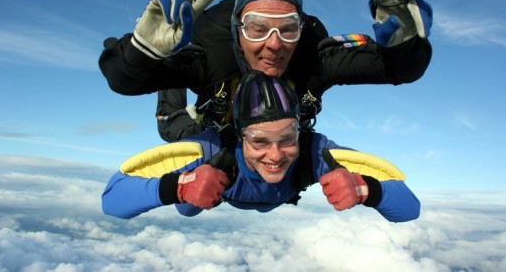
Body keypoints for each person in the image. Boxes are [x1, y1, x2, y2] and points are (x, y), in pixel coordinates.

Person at [99, 0, 433, 141]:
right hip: (210, 127)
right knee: (179, 138)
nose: (274, 44)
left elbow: (399, 70)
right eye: (257, 28)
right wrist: (142, 51)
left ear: (300, 30)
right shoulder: (209, 56)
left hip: (274, 135)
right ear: (237, 32)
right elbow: (125, 81)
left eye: (287, 28)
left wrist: (405, 45)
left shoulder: (313, 58)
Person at [102, 71, 420, 222]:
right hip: (214, 163)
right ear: (241, 136)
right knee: (187, 204)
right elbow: (112, 199)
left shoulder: (316, 151)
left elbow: (409, 207)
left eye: (287, 138)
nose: (276, 155)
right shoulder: (213, 152)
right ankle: (176, 64)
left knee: (192, 203)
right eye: (260, 141)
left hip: (257, 193)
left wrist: (366, 190)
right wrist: (179, 188)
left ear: (300, 132)